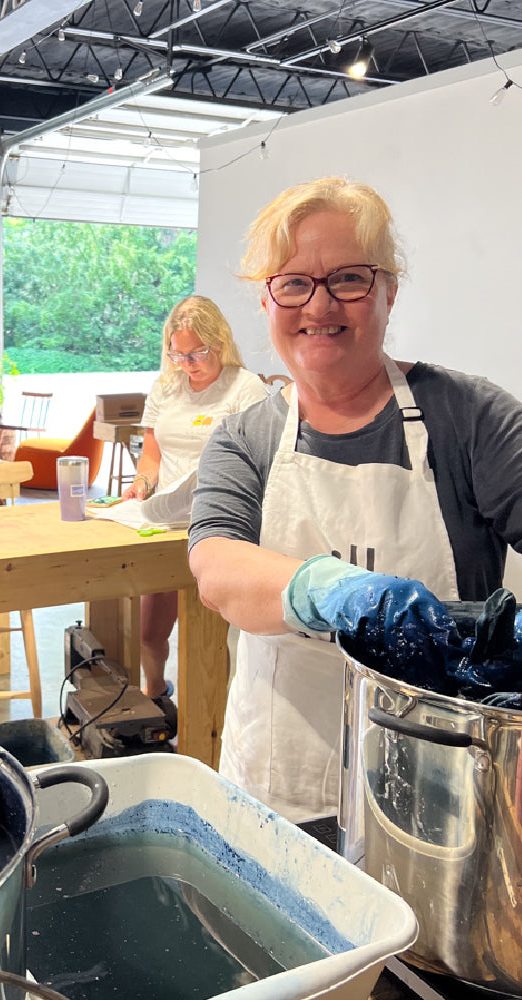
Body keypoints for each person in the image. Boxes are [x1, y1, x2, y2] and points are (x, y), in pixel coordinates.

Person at [187, 177, 522, 823]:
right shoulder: (244, 435)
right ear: (265, 301)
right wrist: (337, 593)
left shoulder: (469, 417)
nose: (318, 305)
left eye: (347, 278)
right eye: (292, 283)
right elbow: (217, 568)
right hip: (283, 781)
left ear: (388, 292)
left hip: (444, 779)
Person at [121, 295, 267, 713]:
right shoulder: (166, 386)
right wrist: (142, 484)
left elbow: (259, 459)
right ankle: (154, 694)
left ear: (219, 342)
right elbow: (152, 455)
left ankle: (213, 710)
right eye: (178, 354)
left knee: (211, 631)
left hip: (222, 521)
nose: (187, 363)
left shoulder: (245, 388)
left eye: (197, 353)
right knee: (151, 629)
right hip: (166, 517)